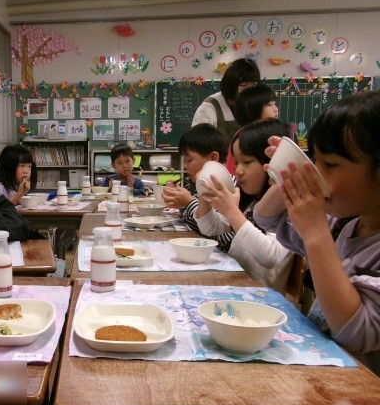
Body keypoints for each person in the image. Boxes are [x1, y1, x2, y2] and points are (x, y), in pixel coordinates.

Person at [254, 91, 380, 375]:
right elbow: (266, 218)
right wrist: (289, 175)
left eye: (330, 164)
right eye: (314, 162)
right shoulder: (342, 225)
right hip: (322, 377)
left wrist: (316, 234)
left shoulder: (328, 229)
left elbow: (358, 332)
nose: (317, 174)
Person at [194, 119, 295, 293]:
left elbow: (271, 256)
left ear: (271, 162)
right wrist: (204, 191)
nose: (238, 170)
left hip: (262, 299)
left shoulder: (287, 206)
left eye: (247, 162)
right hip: (236, 287)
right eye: (236, 162)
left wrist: (232, 212)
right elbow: (210, 228)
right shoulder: (251, 201)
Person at [162, 124, 235, 252]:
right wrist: (182, 204)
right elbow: (197, 228)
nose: (185, 166)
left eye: (189, 160)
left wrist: (188, 203)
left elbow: (221, 238)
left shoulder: (229, 188)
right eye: (184, 161)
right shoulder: (204, 186)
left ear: (213, 158)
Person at [192, 57, 261, 174]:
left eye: (254, 85)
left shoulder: (253, 106)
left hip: (245, 172)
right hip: (217, 172)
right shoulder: (210, 106)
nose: (250, 91)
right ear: (231, 85)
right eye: (244, 85)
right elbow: (197, 145)